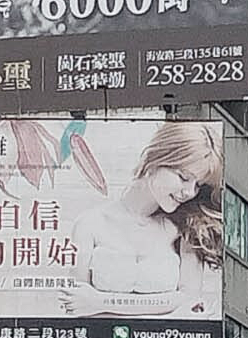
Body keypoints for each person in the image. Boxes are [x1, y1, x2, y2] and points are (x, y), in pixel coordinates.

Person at [63, 121, 223, 318]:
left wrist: (100, 302)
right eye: (183, 177)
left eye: (198, 185)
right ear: (154, 161)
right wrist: (167, 314)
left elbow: (189, 300)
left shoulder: (188, 229)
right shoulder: (90, 224)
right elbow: (77, 304)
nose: (189, 192)